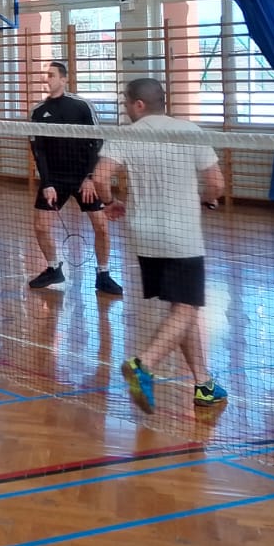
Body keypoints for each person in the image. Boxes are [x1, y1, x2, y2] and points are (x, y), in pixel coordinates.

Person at [94, 77, 227, 412]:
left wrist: (109, 202)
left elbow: (100, 178)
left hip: (144, 236)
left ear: (139, 104)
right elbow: (216, 184)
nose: (125, 108)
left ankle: (203, 383)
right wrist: (206, 200)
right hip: (182, 237)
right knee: (187, 307)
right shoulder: (190, 131)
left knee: (182, 307)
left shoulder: (126, 135)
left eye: (126, 103)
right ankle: (144, 364)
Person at [26, 61, 122, 296]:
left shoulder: (82, 106)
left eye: (51, 75)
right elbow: (38, 151)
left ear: (64, 79)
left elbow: (97, 141)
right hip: (55, 179)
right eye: (44, 75)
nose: (46, 79)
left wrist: (90, 177)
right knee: (40, 227)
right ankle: (53, 268)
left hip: (83, 177)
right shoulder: (37, 111)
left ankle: (103, 275)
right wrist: (47, 183)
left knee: (101, 227)